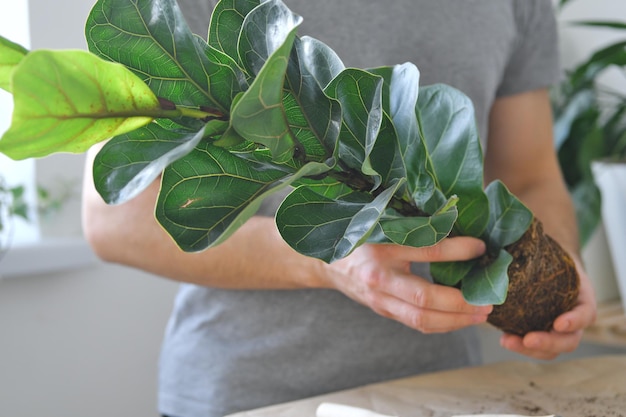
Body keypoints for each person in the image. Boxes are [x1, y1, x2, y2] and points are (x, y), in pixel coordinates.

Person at [81, 1, 597, 416]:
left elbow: (529, 175)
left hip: (451, 392)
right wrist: (329, 257)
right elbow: (114, 218)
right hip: (252, 397)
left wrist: (558, 269)